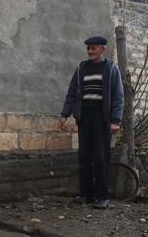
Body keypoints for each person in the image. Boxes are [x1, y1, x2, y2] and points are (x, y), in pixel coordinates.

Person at [58, 36, 124, 209]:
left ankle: (102, 196)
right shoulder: (82, 69)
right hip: (84, 118)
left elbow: (118, 96)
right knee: (84, 157)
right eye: (88, 48)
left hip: (102, 119)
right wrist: (65, 114)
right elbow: (72, 93)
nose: (90, 51)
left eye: (93, 48)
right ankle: (86, 195)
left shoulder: (111, 69)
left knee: (100, 158)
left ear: (102, 49)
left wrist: (115, 120)